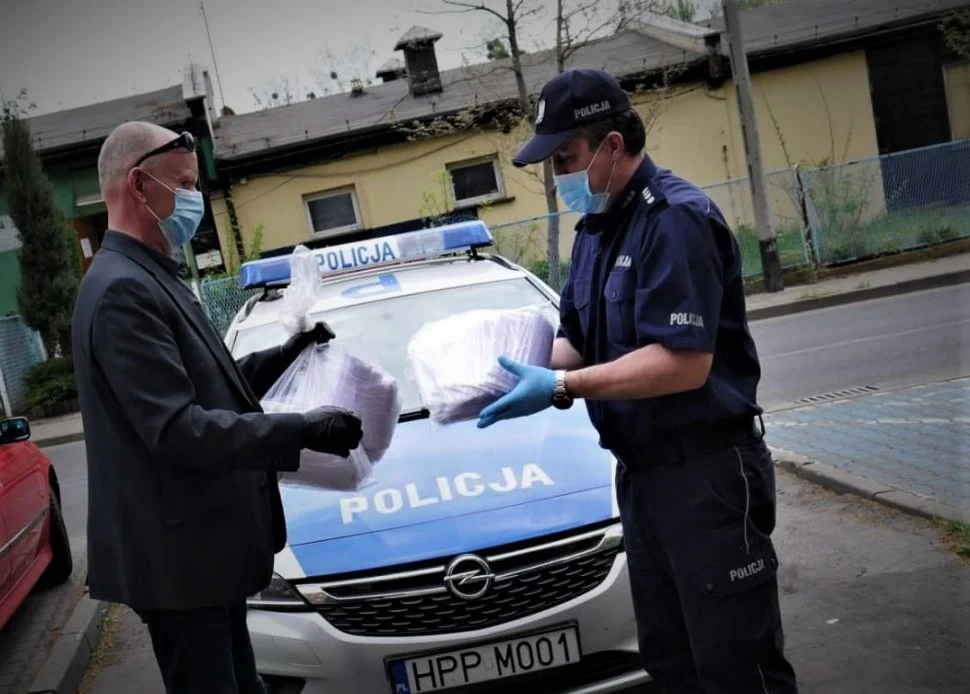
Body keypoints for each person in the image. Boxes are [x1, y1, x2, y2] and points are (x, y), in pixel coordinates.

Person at [477, 69, 799, 693]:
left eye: (566, 158)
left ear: (612, 146)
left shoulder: (675, 219)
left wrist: (564, 388)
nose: (559, 177)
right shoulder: (597, 230)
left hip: (707, 476)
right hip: (643, 479)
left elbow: (684, 363)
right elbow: (577, 341)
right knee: (671, 662)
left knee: (737, 666)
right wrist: (510, 370)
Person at [71, 121, 363, 694]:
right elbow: (177, 429)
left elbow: (208, 386)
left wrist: (286, 353)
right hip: (181, 565)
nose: (194, 200)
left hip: (204, 558)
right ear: (138, 185)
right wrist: (299, 429)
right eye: (183, 184)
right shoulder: (123, 290)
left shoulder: (152, 274)